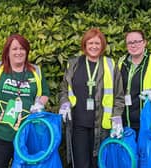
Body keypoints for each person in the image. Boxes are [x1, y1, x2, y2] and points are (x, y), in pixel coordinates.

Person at [59, 28, 125, 168]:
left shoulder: (110, 64)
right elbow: (64, 89)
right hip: (78, 125)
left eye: (97, 43)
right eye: (90, 43)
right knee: (81, 164)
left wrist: (117, 116)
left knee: (99, 164)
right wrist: (64, 103)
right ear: (84, 45)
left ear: (102, 45)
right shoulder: (73, 64)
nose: (94, 46)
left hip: (102, 127)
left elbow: (119, 96)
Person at [0, 34, 50, 167]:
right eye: (14, 49)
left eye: (22, 49)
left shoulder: (36, 72)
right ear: (7, 51)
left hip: (27, 135)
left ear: (27, 51)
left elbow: (45, 93)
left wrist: (40, 103)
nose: (18, 52)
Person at [118, 29, 151, 134]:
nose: (133, 45)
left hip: (150, 123)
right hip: (126, 124)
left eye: (137, 42)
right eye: (130, 43)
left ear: (144, 42)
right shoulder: (121, 62)